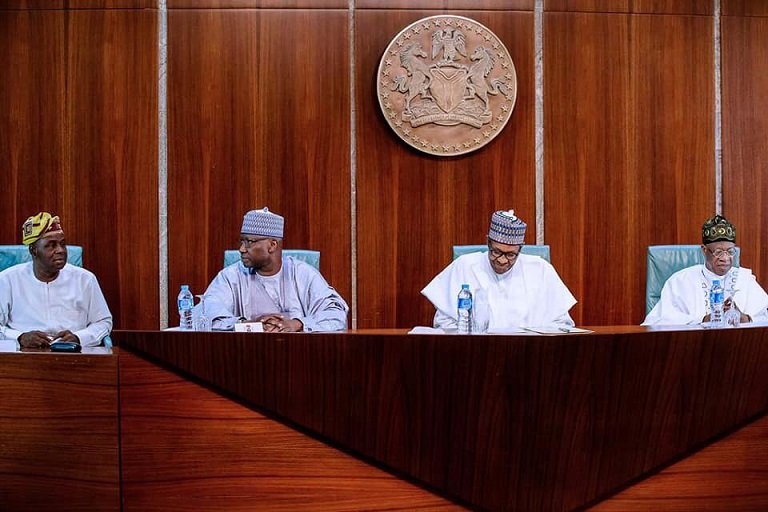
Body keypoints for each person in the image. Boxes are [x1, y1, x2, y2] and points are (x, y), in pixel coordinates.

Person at [421, 210, 576, 331]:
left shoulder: (541, 270)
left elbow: (562, 323)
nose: (502, 260)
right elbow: (443, 322)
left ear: (520, 249)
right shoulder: (464, 266)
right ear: (488, 242)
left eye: (510, 255)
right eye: (496, 252)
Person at [201, 207, 348, 332]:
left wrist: (297, 324)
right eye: (242, 241)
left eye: (249, 242)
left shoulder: (303, 274)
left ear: (272, 245)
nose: (242, 249)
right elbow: (204, 314)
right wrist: (246, 324)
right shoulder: (230, 276)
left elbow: (336, 314)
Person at [0, 212, 113, 348]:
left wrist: (79, 338)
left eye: (62, 244)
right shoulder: (8, 280)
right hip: (24, 356)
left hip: (74, 356)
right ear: (34, 250)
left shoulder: (85, 279)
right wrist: (20, 338)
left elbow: (103, 322)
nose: (61, 250)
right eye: (51, 245)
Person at [643, 214, 768, 325]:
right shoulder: (680, 281)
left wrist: (744, 318)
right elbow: (656, 322)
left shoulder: (745, 280)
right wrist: (704, 320)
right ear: (704, 250)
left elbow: (764, 317)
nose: (725, 258)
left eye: (730, 252)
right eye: (718, 252)